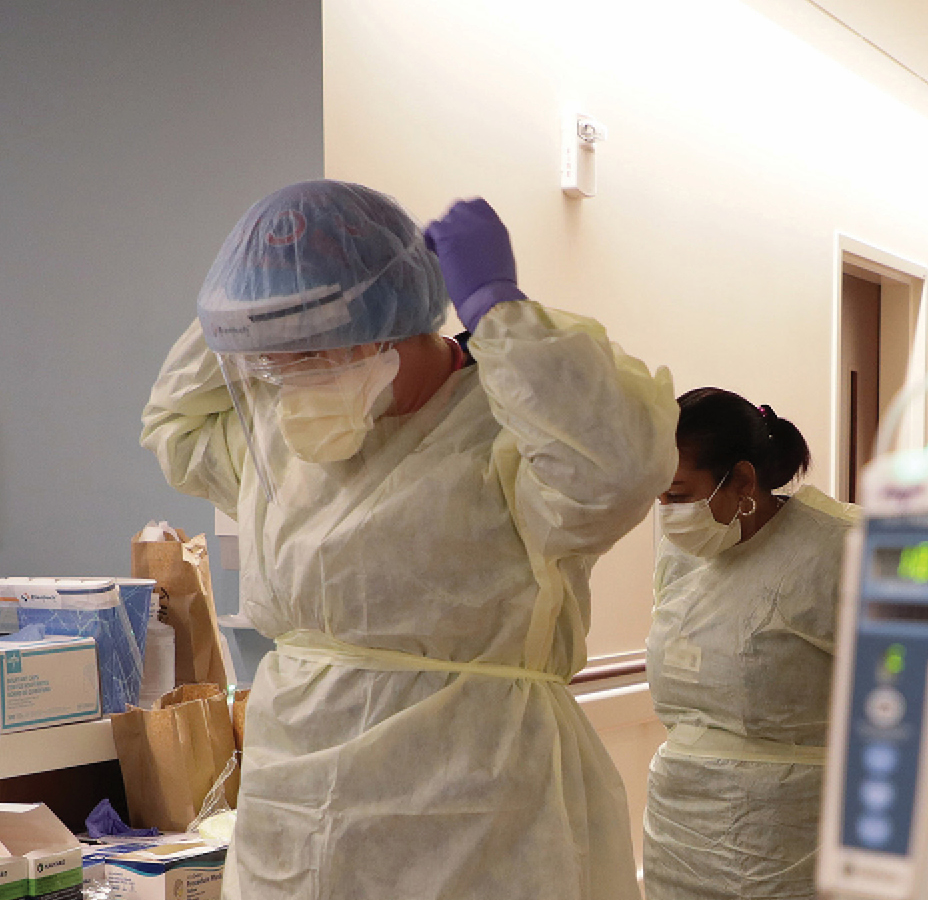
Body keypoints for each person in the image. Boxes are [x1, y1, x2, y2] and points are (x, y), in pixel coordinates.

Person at [141, 180, 675, 900]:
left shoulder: (508, 429)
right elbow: (174, 427)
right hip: (293, 806)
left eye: (313, 351)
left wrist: (498, 310)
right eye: (275, 360)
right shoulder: (280, 429)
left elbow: (616, 469)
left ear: (390, 326)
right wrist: (242, 314)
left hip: (475, 808)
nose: (291, 381)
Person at [645, 388, 858, 900]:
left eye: (678, 493)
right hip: (678, 827)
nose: (666, 512)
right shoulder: (685, 556)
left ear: (742, 480)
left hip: (786, 834)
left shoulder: (838, 550)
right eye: (657, 495)